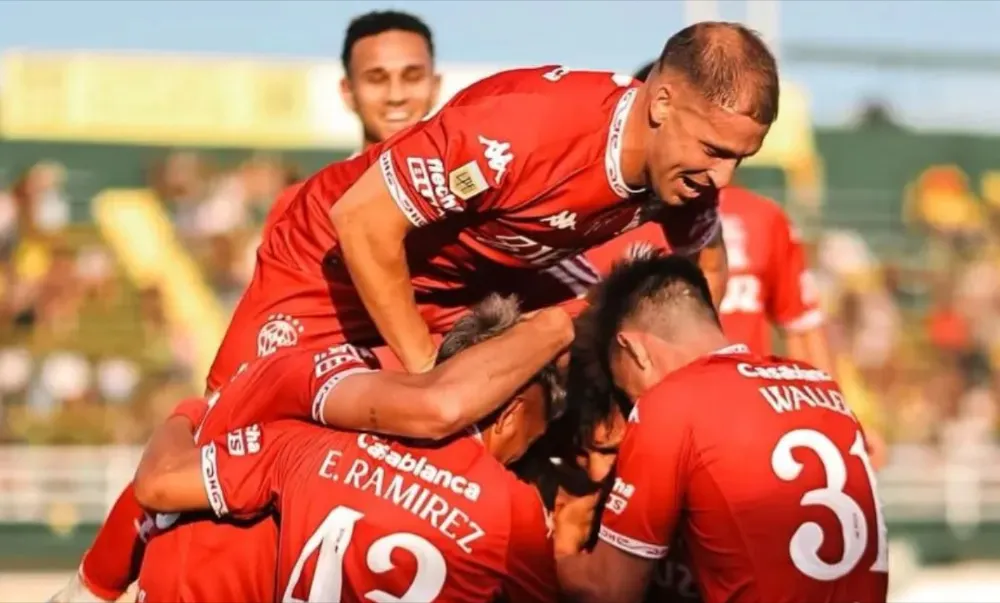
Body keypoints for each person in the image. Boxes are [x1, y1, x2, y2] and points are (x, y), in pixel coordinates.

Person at [211, 20, 779, 390]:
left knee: (615, 335)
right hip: (331, 258)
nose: (723, 176)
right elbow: (361, 221)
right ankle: (125, 572)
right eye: (713, 151)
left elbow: (701, 264)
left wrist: (699, 386)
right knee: (225, 418)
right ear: (661, 103)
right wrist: (429, 376)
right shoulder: (522, 127)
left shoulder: (687, 169)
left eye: (739, 158)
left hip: (481, 278)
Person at [53, 301, 572, 602]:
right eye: (538, 432)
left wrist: (190, 411)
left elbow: (158, 485)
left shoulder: (312, 445)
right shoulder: (511, 510)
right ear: (512, 413)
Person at [554, 253, 889, 603]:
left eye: (628, 391)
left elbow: (608, 589)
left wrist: (561, 544)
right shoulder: (821, 387)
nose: (635, 405)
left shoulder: (671, 404)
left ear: (635, 349)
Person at [587, 59, 831, 370]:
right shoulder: (593, 220)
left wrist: (830, 413)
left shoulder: (763, 218)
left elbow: (803, 328)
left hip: (742, 405)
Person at [340, 10, 441, 153]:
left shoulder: (472, 174)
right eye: (376, 79)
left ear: (435, 86)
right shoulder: (331, 176)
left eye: (412, 77)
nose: (396, 96)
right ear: (348, 92)